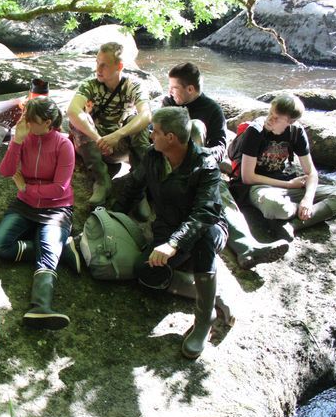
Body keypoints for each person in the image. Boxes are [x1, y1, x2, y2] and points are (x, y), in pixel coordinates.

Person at [113, 107, 232, 359]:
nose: (150, 136)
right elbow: (134, 185)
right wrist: (111, 216)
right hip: (167, 230)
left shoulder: (206, 165)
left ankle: (204, 318)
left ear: (171, 137)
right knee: (145, 274)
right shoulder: (153, 157)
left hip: (205, 230)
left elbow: (204, 214)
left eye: (154, 131)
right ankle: (209, 294)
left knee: (205, 237)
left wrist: (174, 244)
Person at [163, 62, 288, 269]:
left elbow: (220, 147)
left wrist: (201, 158)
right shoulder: (168, 103)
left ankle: (247, 249)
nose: (169, 92)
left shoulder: (211, 109)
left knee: (218, 190)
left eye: (174, 87)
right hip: (170, 166)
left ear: (190, 89)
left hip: (199, 167)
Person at [0, 97, 79, 330]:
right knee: (0, 246)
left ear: (48, 122)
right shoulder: (24, 137)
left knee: (47, 255)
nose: (26, 123)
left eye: (31, 120)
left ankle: (41, 307)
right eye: (25, 118)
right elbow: (6, 171)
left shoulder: (64, 145)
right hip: (25, 205)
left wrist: (27, 188)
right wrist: (16, 142)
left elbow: (60, 187)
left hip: (57, 208)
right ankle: (63, 248)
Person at [237, 93, 336, 241]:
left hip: (288, 188)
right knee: (277, 208)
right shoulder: (256, 131)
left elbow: (311, 173)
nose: (270, 118)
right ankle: (299, 215)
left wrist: (308, 200)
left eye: (276, 117)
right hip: (260, 187)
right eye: (270, 113)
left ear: (290, 121)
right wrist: (289, 184)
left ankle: (293, 224)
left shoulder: (296, 132)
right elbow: (248, 178)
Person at [66, 42, 151, 206]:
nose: (98, 69)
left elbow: (146, 115)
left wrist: (117, 135)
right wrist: (99, 139)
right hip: (93, 145)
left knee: (136, 121)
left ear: (119, 66)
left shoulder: (133, 86)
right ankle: (102, 179)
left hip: (118, 145)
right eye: (97, 63)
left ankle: (139, 189)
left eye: (104, 65)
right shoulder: (90, 84)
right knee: (79, 119)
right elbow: (72, 110)